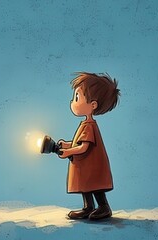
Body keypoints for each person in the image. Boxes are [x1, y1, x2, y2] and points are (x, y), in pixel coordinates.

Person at [57, 72, 120, 221]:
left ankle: (104, 207)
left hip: (91, 167)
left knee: (95, 186)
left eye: (77, 97)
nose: (73, 101)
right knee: (85, 185)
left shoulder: (89, 126)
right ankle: (88, 207)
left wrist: (68, 152)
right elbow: (78, 143)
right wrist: (67, 145)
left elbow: (83, 147)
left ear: (92, 105)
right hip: (85, 167)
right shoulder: (85, 124)